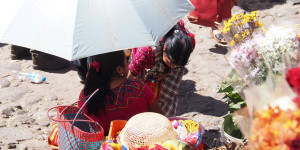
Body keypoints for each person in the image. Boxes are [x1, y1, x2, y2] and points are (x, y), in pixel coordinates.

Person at [78, 50, 163, 134]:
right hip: (140, 144)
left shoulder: (84, 95)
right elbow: (161, 119)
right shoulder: (139, 88)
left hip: (103, 146)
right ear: (119, 69)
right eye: (126, 61)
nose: (128, 64)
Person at [127, 20, 195, 117]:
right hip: (147, 60)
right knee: (140, 97)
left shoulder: (188, 44)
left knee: (166, 99)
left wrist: (168, 71)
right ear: (164, 48)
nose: (172, 67)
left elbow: (174, 65)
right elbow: (130, 77)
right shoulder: (146, 52)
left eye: (175, 66)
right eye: (170, 62)